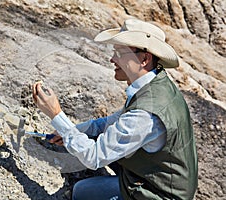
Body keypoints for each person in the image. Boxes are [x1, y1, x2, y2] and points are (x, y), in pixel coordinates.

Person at [32, 18, 198, 200]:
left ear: (144, 59)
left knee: (79, 192)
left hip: (159, 193)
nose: (112, 59)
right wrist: (71, 131)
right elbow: (110, 123)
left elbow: (94, 156)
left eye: (120, 52)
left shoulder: (147, 113)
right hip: (154, 177)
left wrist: (56, 114)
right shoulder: (155, 84)